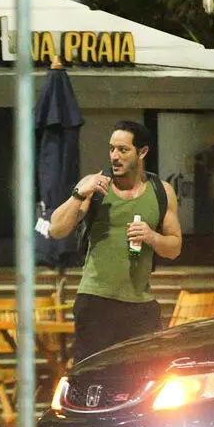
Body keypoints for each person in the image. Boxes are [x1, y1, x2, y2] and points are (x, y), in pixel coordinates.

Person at [48, 120, 182, 363]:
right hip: (96, 301)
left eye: (123, 149)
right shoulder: (95, 185)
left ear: (142, 152)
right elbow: (56, 230)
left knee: (148, 376)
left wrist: (151, 236)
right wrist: (80, 193)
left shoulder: (162, 191)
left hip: (140, 305)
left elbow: (175, 248)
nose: (115, 156)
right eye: (111, 149)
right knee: (93, 378)